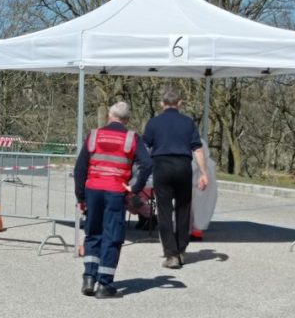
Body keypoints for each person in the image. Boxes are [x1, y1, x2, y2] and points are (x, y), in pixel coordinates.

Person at [75, 102, 152, 299]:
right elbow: (147, 164)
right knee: (113, 236)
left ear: (109, 116)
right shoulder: (132, 138)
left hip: (93, 190)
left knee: (93, 233)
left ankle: (89, 278)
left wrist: (81, 197)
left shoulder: (93, 135)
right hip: (115, 192)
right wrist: (134, 187)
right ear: (126, 120)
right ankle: (105, 284)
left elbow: (80, 168)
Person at [142, 89, 209, 269]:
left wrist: (141, 170)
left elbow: (144, 146)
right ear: (179, 103)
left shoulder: (154, 123)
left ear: (161, 104)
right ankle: (181, 250)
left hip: (161, 166)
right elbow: (198, 149)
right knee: (183, 209)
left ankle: (170, 253)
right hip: (182, 166)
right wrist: (203, 173)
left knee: (163, 211)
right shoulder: (188, 123)